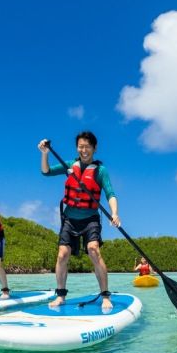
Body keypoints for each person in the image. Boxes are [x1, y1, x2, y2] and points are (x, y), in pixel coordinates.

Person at [38, 132, 120, 312]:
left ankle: (105, 295)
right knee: (62, 254)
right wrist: (45, 154)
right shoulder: (69, 165)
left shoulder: (100, 171)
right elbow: (46, 172)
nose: (84, 150)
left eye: (87, 147)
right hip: (70, 218)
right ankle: (60, 295)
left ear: (94, 148)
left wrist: (114, 213)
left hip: (90, 219)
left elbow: (110, 193)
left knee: (93, 250)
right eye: (80, 147)